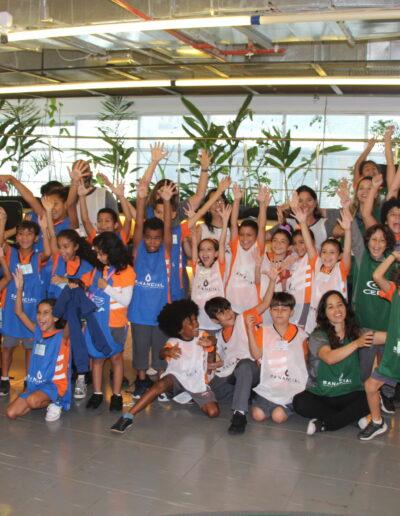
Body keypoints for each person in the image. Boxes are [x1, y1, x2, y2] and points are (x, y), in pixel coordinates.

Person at [110, 299, 219, 433]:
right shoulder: (173, 341)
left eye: (195, 319)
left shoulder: (202, 336)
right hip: (177, 379)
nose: (196, 324)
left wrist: (210, 342)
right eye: (190, 322)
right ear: (179, 329)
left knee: (213, 412)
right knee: (160, 384)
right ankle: (128, 416)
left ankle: (190, 395)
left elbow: (213, 339)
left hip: (197, 382)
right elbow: (162, 353)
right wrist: (168, 352)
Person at [293, 290, 386, 434]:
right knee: (300, 402)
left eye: (340, 305)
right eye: (330, 307)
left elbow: (388, 337)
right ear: (324, 313)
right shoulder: (318, 336)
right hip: (322, 394)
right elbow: (329, 357)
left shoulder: (358, 332)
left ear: (346, 307)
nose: (337, 310)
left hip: (350, 392)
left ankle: (325, 424)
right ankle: (353, 418)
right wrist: (356, 344)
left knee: (371, 398)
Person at [204, 270, 276, 435]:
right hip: (232, 373)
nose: (228, 313)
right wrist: (214, 363)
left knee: (244, 366)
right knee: (208, 391)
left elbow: (266, 303)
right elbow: (222, 361)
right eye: (221, 313)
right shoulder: (219, 336)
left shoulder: (244, 317)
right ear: (215, 320)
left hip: (254, 369)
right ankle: (247, 394)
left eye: (228, 309)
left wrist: (272, 280)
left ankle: (239, 414)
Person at [128, 179, 174, 398]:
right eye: (148, 238)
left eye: (157, 238)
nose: (153, 242)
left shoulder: (165, 250)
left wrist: (166, 202)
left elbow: (167, 227)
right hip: (139, 313)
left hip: (161, 314)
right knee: (140, 349)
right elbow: (138, 224)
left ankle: (159, 384)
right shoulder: (138, 251)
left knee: (160, 352)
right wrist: (140, 199)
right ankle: (141, 381)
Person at [6, 268, 71, 422]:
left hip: (54, 386)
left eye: (46, 313)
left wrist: (69, 287)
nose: (41, 317)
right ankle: (36, 398)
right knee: (10, 413)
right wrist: (19, 288)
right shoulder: (37, 332)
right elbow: (19, 312)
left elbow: (71, 316)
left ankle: (57, 402)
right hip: (35, 385)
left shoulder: (63, 336)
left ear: (56, 317)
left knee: (32, 401)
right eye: (39, 312)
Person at [44, 225, 96, 400]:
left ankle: (82, 378)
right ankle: (57, 378)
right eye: (60, 246)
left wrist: (65, 280)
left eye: (66, 246)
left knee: (77, 345)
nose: (62, 250)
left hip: (74, 313)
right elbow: (51, 238)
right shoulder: (57, 260)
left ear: (76, 247)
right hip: (56, 311)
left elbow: (84, 286)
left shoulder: (86, 265)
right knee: (58, 346)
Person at [0, 216, 50, 396]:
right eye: (21, 234)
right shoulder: (10, 252)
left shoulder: (38, 257)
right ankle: (4, 378)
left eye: (29, 234)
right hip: (11, 310)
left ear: (36, 238)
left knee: (30, 348)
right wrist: (3, 222)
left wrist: (44, 228)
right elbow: (1, 241)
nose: (25, 237)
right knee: (7, 347)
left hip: (31, 311)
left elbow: (48, 252)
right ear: (16, 237)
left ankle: (29, 379)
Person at [85, 232, 134, 411]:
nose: (98, 257)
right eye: (96, 253)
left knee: (116, 358)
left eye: (101, 253)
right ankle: (97, 393)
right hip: (98, 322)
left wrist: (107, 288)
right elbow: (92, 292)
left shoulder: (127, 271)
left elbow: (125, 300)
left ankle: (117, 395)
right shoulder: (101, 269)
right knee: (97, 359)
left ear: (112, 251)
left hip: (116, 323)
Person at [290, 195, 353, 335]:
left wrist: (348, 230)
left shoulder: (341, 269)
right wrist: (302, 222)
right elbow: (309, 245)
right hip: (314, 317)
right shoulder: (317, 264)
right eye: (324, 252)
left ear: (339, 256)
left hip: (335, 317)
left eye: (332, 252)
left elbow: (347, 251)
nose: (327, 256)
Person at [351, 223, 397, 412]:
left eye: (382, 240)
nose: (377, 244)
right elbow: (354, 234)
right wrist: (348, 213)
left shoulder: (393, 263)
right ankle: (365, 398)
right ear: (367, 241)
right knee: (365, 367)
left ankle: (386, 396)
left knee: (390, 364)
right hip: (365, 326)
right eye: (373, 239)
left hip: (389, 328)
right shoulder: (361, 257)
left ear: (388, 244)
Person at [246, 292, 308, 426]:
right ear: (270, 311)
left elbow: (304, 362)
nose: (279, 312)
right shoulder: (263, 331)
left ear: (292, 312)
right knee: (257, 415)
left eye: (284, 309)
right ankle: (263, 401)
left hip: (291, 385)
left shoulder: (301, 334)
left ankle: (288, 406)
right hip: (269, 384)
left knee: (278, 416)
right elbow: (256, 355)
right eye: (275, 309)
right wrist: (250, 331)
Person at [358, 250, 400, 440]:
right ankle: (377, 422)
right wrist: (394, 255)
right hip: (394, 356)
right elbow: (376, 275)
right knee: (370, 386)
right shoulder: (394, 292)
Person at [225, 184, 269, 313]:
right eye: (242, 234)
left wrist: (262, 205)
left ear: (256, 236)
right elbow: (233, 224)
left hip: (252, 302)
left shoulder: (258, 247)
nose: (244, 238)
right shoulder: (236, 246)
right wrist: (236, 200)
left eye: (249, 235)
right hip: (232, 301)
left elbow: (262, 226)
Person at [190, 202, 231, 332]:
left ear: (216, 253)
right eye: (202, 249)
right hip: (198, 320)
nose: (205, 252)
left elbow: (222, 242)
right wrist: (192, 220)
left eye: (209, 249)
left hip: (216, 319)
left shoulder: (220, 266)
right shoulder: (196, 265)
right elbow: (194, 240)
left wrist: (225, 221)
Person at [77, 177, 132, 246]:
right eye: (99, 221)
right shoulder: (95, 237)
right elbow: (85, 220)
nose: (103, 224)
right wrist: (82, 196)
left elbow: (128, 218)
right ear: (96, 224)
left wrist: (121, 196)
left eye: (107, 221)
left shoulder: (121, 238)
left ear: (115, 225)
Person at [67, 159, 118, 232]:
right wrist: (75, 182)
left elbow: (117, 224)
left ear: (91, 173)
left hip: (101, 238)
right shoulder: (67, 195)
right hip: (76, 238)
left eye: (85, 171)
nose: (81, 174)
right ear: (72, 175)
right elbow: (70, 207)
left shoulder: (105, 194)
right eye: (77, 171)